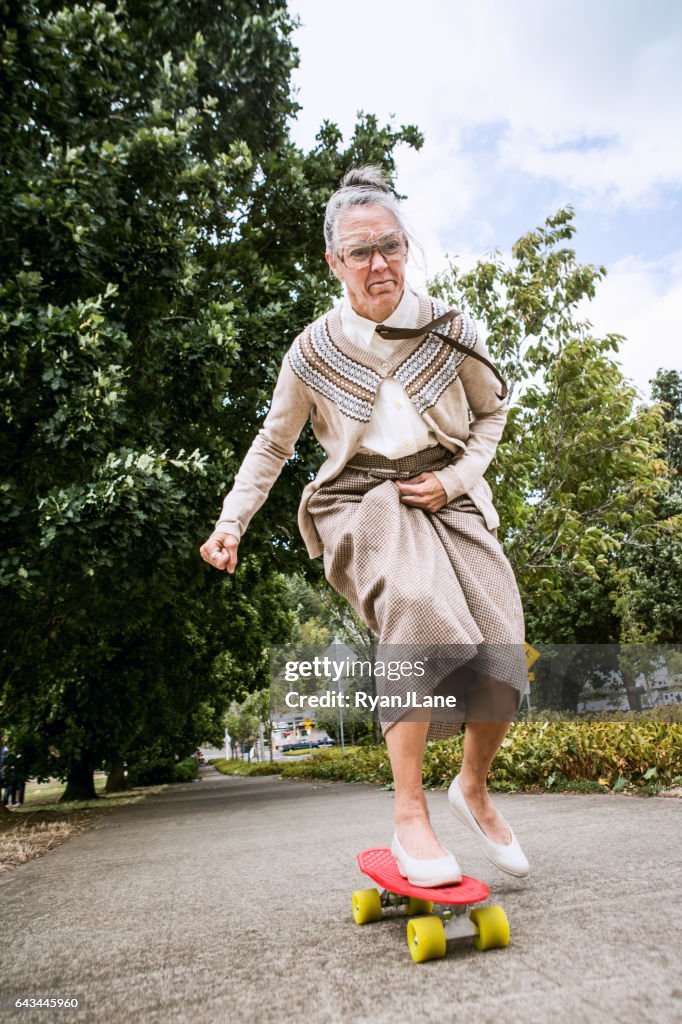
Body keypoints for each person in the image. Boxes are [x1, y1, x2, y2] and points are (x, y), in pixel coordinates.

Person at [200, 166, 529, 885]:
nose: (379, 263)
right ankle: (409, 813)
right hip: (360, 499)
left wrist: (454, 479)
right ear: (333, 262)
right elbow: (273, 444)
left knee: (504, 646)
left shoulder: (449, 328)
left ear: (406, 246)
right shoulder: (311, 351)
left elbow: (494, 411)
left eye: (391, 245)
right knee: (415, 604)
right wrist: (233, 522)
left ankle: (472, 786)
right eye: (360, 252)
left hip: (446, 490)